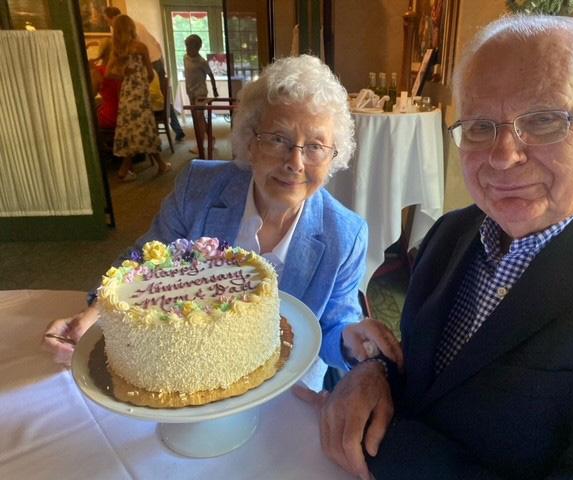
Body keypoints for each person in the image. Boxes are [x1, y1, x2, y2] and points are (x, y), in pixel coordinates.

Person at [300, 15, 573, 479]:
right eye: (480, 127)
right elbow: (426, 373)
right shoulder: (450, 235)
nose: (503, 156)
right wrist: (373, 374)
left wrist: (385, 446)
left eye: (542, 120)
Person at [42, 54, 402, 391]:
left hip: (287, 388)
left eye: (315, 147)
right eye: (279, 139)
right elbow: (143, 263)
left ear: (334, 155)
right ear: (249, 141)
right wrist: (93, 314)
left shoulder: (346, 234)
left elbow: (336, 326)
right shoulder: (199, 188)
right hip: (190, 372)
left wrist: (353, 340)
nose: (296, 161)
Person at [103, 6, 186, 142]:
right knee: (162, 98)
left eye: (108, 21)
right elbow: (156, 44)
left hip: (146, 65)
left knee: (152, 100)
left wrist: (129, 75)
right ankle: (173, 129)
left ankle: (149, 130)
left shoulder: (125, 33)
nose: (109, 24)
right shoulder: (137, 24)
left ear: (113, 18)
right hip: (156, 60)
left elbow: (133, 54)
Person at [109, 15, 171, 181]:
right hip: (140, 92)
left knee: (129, 129)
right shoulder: (140, 47)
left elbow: (109, 73)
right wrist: (142, 80)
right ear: (131, 28)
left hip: (126, 93)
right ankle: (160, 164)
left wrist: (124, 74)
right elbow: (151, 74)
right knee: (145, 127)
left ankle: (124, 170)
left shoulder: (118, 50)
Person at [184, 33, 219, 155]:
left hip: (200, 93)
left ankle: (200, 146)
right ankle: (212, 139)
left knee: (199, 119)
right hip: (190, 92)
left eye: (191, 47)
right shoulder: (185, 58)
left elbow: (211, 75)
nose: (188, 49)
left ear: (197, 48)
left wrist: (215, 89)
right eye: (187, 46)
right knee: (200, 119)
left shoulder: (201, 62)